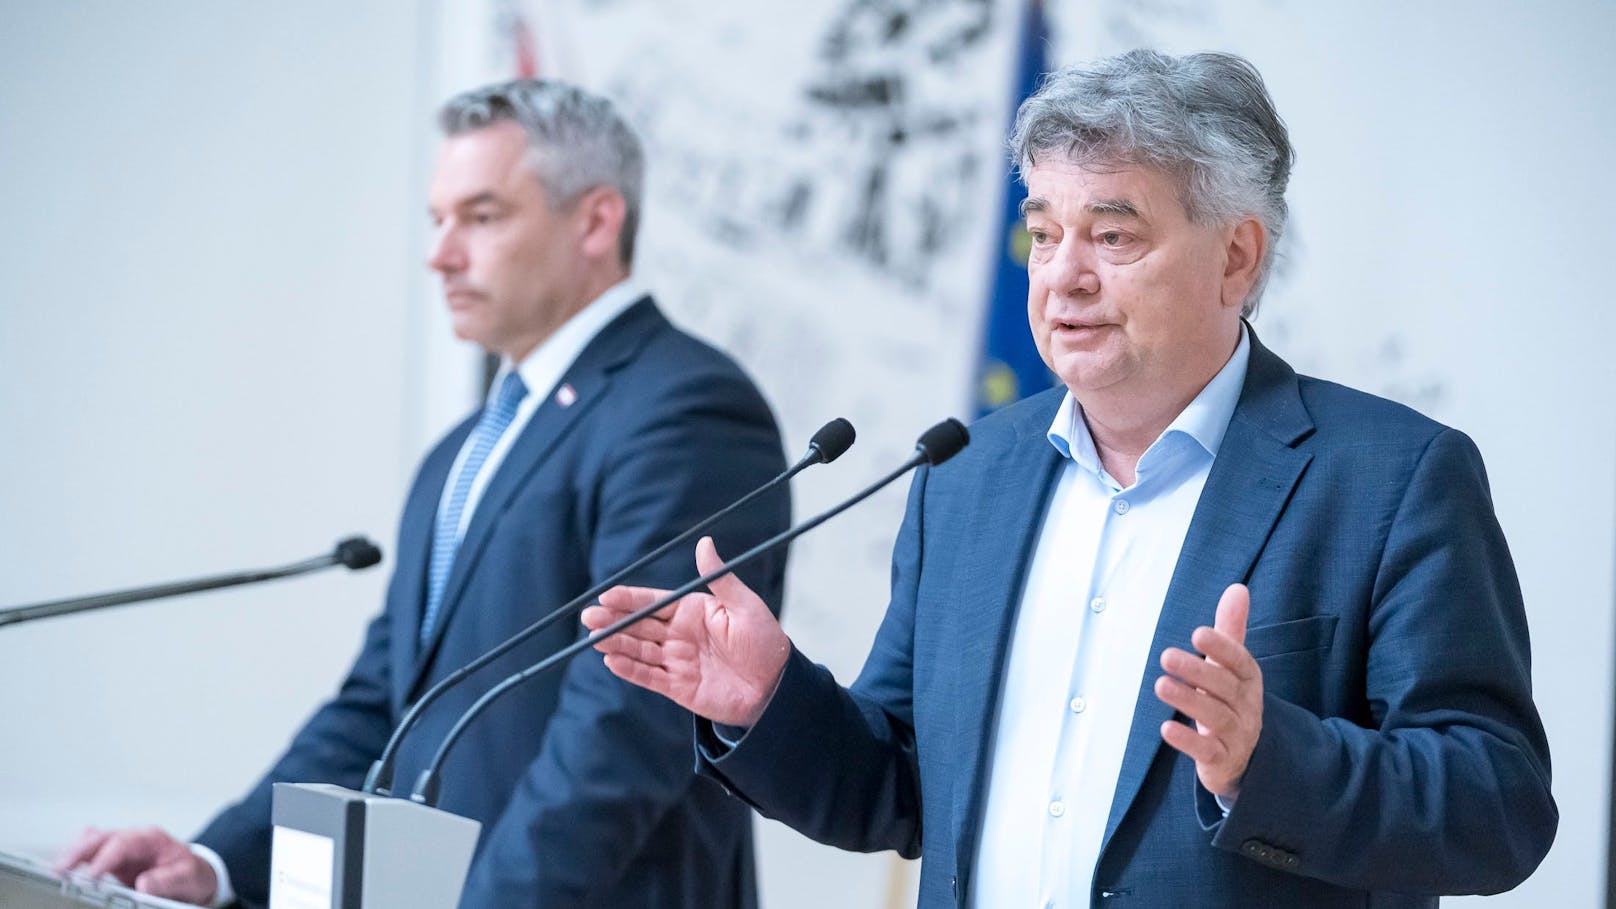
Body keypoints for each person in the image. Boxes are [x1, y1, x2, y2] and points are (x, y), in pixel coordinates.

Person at [583, 50, 1557, 907]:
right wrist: (769, 700)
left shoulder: (1391, 478)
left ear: (1235, 256)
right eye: (1043, 232)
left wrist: (1266, 759)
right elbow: (901, 783)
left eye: (1113, 234)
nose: (1061, 276)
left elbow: (1495, 807)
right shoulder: (966, 475)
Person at [57, 79, 790, 908]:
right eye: (438, 220)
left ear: (595, 220)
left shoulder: (685, 408)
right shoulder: (460, 454)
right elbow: (381, 706)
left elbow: (623, 730)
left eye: (481, 216)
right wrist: (217, 862)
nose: (440, 253)